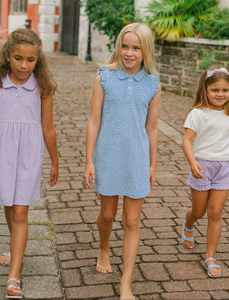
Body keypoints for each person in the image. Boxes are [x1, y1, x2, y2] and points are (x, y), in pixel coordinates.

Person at [0, 28, 59, 298]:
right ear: (8, 56)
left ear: (38, 59)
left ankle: (14, 277)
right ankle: (14, 246)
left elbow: (48, 129)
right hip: (1, 153)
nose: (24, 65)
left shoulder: (42, 88)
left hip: (28, 154)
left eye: (30, 60)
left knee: (21, 212)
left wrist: (55, 161)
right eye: (18, 58)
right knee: (10, 210)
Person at [84, 23, 161, 299]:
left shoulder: (152, 84)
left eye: (136, 48)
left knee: (132, 221)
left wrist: (152, 164)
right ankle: (104, 248)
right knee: (107, 214)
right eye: (125, 46)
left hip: (137, 158)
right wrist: (89, 160)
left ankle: (125, 283)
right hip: (107, 155)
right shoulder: (104, 77)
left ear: (145, 51)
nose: (129, 53)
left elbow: (152, 127)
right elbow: (94, 121)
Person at [182, 65, 229, 278]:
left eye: (225, 90)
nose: (220, 94)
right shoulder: (197, 114)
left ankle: (210, 256)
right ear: (205, 89)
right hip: (201, 167)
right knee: (199, 211)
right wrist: (192, 162)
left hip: (223, 168)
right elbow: (187, 140)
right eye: (215, 90)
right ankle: (189, 225)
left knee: (215, 212)